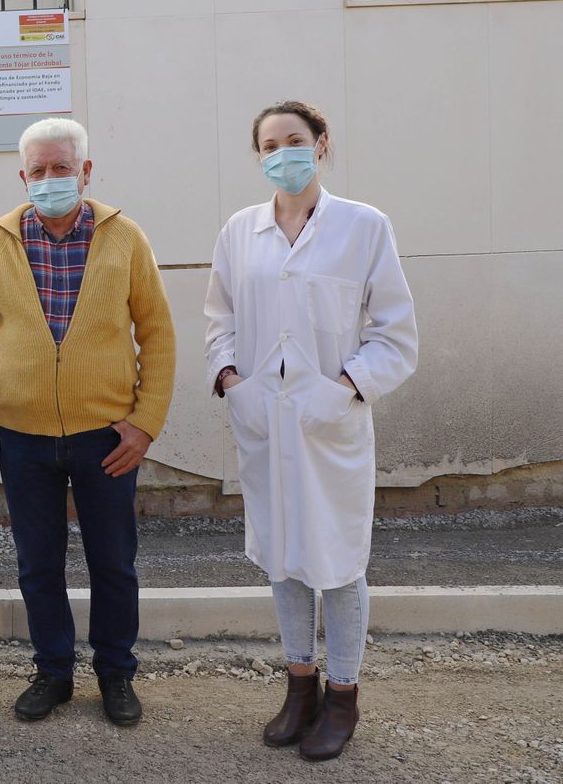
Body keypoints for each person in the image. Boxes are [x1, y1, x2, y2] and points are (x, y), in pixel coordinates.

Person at [204, 101, 417, 761]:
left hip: (331, 421)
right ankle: (300, 685)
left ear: (321, 145)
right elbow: (219, 321)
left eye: (294, 140)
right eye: (270, 144)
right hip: (266, 421)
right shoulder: (240, 231)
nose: (283, 152)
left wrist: (345, 387)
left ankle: (343, 697)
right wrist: (233, 382)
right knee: (283, 553)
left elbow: (395, 333)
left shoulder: (363, 226)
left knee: (339, 560)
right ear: (259, 154)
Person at [0, 118, 175, 727]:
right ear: (23, 176)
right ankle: (52, 671)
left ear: (85, 171)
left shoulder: (124, 237)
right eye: (39, 170)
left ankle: (115, 675)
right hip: (24, 438)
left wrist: (144, 423)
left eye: (62, 168)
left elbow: (156, 334)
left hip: (105, 436)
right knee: (38, 564)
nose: (50, 180)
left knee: (113, 562)